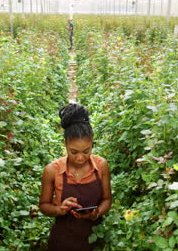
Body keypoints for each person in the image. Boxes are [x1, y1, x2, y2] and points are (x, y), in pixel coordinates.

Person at [39, 103, 112, 251]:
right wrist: (59, 209)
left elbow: (107, 199)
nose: (80, 158)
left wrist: (96, 213)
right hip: (62, 240)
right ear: (65, 145)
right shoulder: (52, 170)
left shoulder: (101, 166)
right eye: (74, 152)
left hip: (93, 238)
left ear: (92, 144)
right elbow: (43, 205)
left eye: (86, 151)